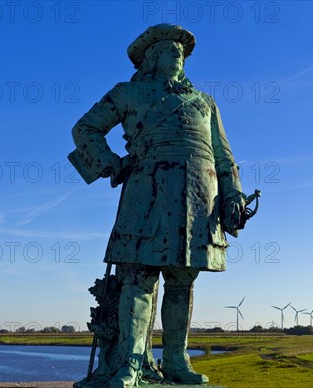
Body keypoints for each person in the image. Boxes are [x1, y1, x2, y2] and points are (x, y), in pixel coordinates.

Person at [69, 24, 246, 386]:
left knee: (183, 281)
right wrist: (112, 163)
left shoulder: (204, 102)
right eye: (168, 49)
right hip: (146, 192)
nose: (177, 55)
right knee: (138, 278)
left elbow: (223, 156)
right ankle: (130, 362)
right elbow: (86, 129)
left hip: (198, 199)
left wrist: (232, 194)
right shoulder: (129, 93)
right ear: (151, 58)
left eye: (180, 52)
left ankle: (177, 360)